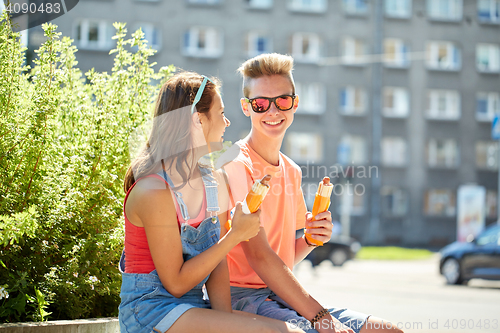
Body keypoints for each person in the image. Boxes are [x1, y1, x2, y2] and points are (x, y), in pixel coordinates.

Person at [222, 54, 404, 333]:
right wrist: (321, 318)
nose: (273, 112)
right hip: (241, 299)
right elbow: (260, 258)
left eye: (282, 100)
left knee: (387, 330)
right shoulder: (236, 163)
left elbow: (282, 261)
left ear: (295, 103)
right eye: (260, 104)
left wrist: (309, 238)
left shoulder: (292, 171)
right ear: (246, 108)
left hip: (279, 295)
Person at [118, 71, 305, 333]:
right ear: (198, 120)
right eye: (220, 113)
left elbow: (217, 267)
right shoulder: (154, 190)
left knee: (294, 330)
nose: (227, 122)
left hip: (193, 308)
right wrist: (235, 236)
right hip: (151, 311)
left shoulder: (213, 180)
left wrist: (227, 321)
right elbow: (176, 283)